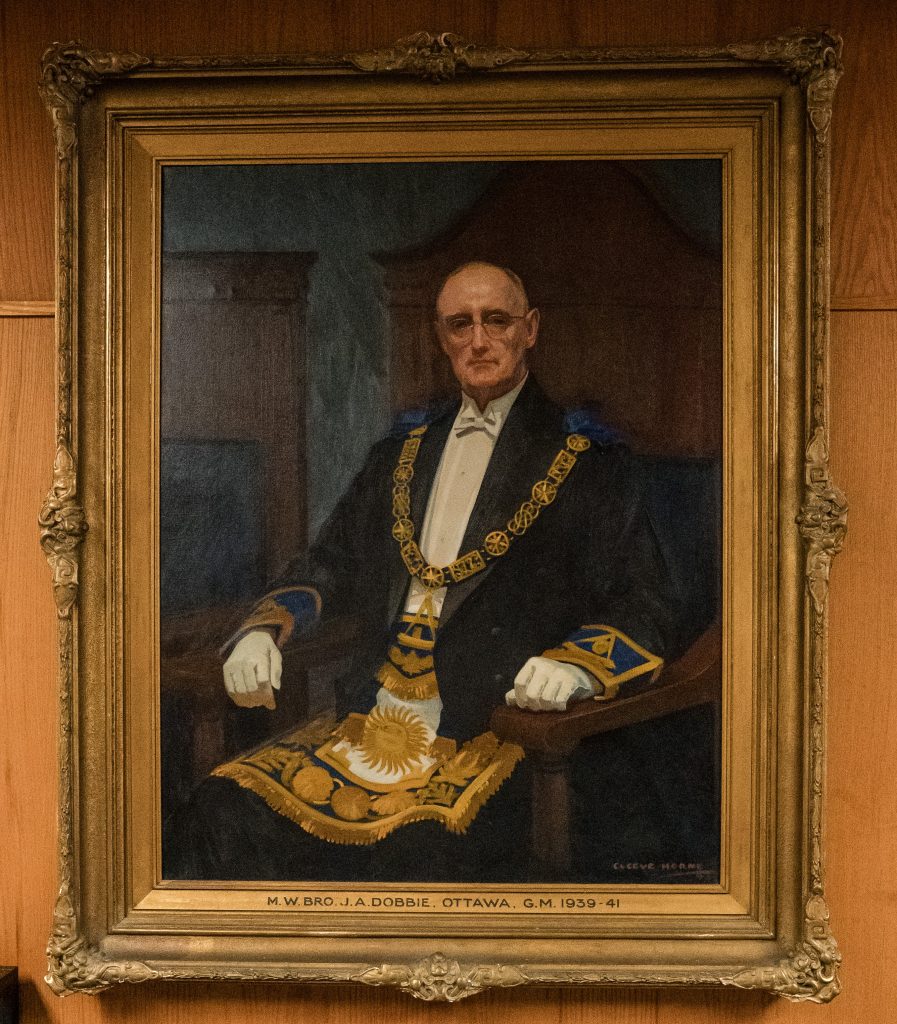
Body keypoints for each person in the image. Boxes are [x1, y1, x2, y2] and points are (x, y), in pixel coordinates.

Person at [164, 261, 717, 883]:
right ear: (442, 337)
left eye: (496, 320)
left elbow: (646, 604)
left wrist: (576, 666)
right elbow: (328, 562)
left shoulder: (587, 465)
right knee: (220, 810)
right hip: (367, 721)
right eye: (461, 324)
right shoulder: (401, 453)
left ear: (529, 330)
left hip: (500, 733)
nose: (478, 340)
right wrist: (265, 630)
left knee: (418, 855)